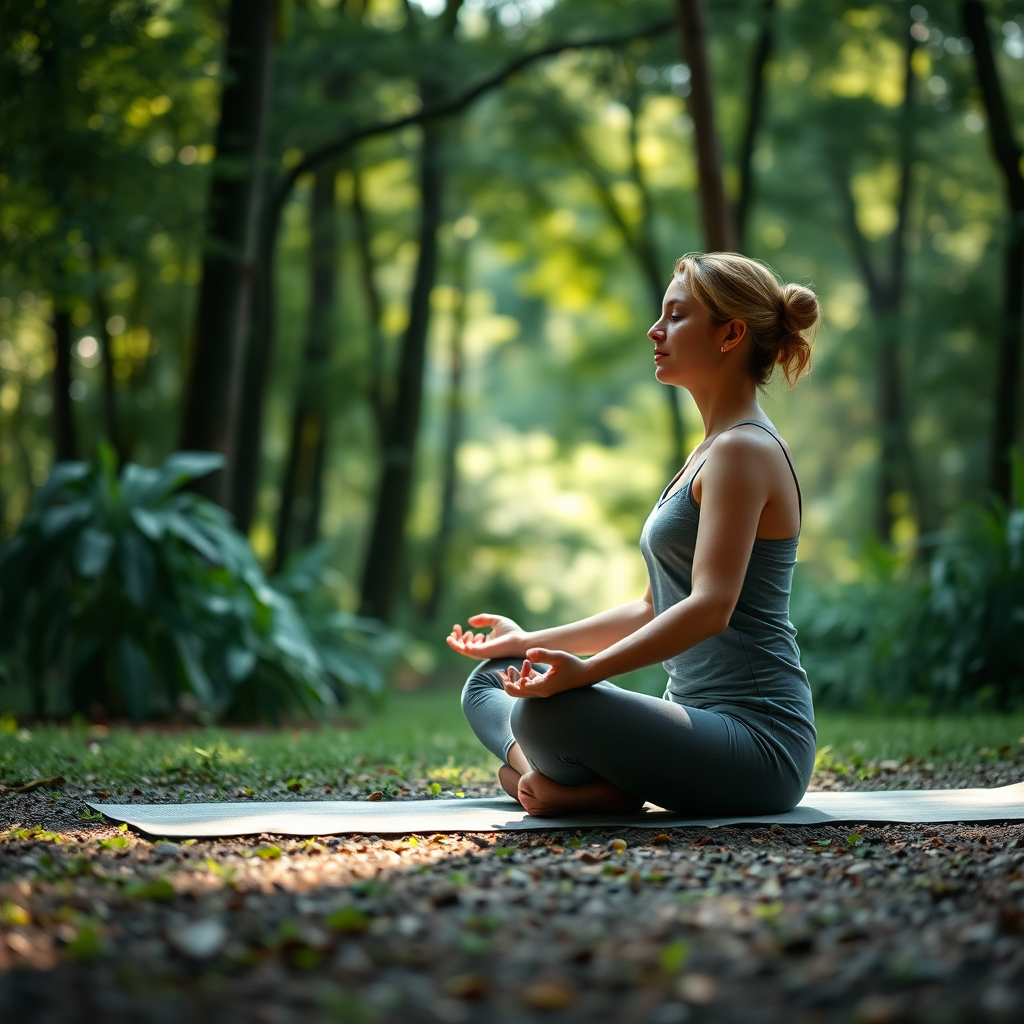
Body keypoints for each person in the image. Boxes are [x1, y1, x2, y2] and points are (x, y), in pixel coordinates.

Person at [447, 252, 820, 818]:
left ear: (730, 334)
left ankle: (570, 781)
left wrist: (587, 671)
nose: (655, 329)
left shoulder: (744, 450)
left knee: (545, 709)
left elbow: (710, 608)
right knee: (493, 679)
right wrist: (526, 641)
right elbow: (651, 607)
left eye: (677, 315)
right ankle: (561, 782)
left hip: (758, 743)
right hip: (692, 725)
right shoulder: (709, 452)